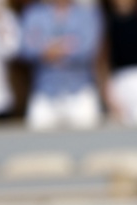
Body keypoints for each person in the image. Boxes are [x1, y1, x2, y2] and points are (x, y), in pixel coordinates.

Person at [19, 0, 104, 130]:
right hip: (45, 91)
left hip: (79, 91)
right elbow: (27, 49)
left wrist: (48, 49)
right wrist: (68, 45)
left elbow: (87, 50)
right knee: (38, 146)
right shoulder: (34, 14)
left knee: (89, 142)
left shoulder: (86, 14)